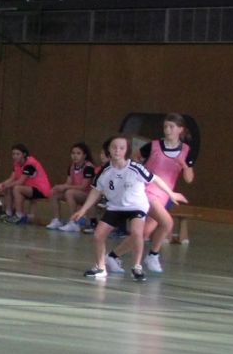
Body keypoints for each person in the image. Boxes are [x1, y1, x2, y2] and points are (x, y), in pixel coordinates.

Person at [70, 135, 184, 282]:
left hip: (136, 206)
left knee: (137, 233)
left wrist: (171, 193)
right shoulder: (105, 171)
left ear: (126, 151)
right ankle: (100, 268)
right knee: (98, 235)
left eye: (121, 148)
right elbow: (96, 190)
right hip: (115, 207)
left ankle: (137, 267)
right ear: (108, 150)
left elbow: (155, 179)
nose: (117, 151)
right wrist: (83, 209)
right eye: (114, 147)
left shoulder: (135, 168)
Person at [139, 114, 197, 273]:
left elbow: (189, 179)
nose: (167, 130)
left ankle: (114, 256)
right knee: (166, 223)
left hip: (164, 194)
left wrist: (184, 166)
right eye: (165, 126)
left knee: (145, 231)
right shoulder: (153, 146)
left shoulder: (186, 151)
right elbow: (136, 157)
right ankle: (153, 255)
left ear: (180, 129)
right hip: (146, 190)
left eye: (171, 126)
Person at [0, 143, 50, 226]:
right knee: (10, 187)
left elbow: (20, 182)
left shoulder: (30, 164)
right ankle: (8, 213)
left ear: (24, 154)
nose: (15, 156)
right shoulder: (16, 164)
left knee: (16, 188)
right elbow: (12, 178)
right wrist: (2, 185)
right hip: (28, 188)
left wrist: (6, 186)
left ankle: (19, 215)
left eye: (17, 154)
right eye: (13, 154)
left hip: (40, 190)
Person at [46, 142, 97, 232]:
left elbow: (83, 187)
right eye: (73, 153)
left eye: (78, 153)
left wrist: (65, 187)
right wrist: (61, 187)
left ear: (84, 155)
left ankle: (74, 222)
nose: (75, 156)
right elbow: (68, 183)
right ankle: (57, 220)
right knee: (54, 192)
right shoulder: (72, 166)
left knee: (69, 192)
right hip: (76, 192)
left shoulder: (88, 167)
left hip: (88, 195)